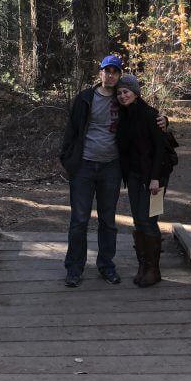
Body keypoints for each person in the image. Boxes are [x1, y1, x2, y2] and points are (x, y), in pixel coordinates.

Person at [59, 55, 125, 287]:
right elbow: (71, 130)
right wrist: (67, 160)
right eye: (106, 71)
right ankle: (74, 269)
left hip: (112, 167)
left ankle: (106, 266)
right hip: (84, 166)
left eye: (114, 72)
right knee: (79, 220)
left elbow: (144, 116)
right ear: (100, 73)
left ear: (119, 75)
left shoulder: (123, 98)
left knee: (108, 220)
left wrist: (164, 119)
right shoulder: (85, 98)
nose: (110, 75)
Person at [115, 73, 176, 288]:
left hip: (154, 177)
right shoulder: (123, 116)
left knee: (149, 220)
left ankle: (153, 269)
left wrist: (155, 179)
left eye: (127, 92)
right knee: (138, 220)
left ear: (136, 93)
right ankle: (143, 264)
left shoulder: (150, 116)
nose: (123, 95)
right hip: (133, 176)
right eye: (120, 92)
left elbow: (160, 148)